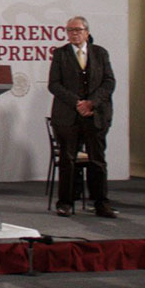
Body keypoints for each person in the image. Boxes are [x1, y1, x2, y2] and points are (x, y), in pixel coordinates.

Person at [48, 16, 117, 218]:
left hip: (95, 115)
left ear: (86, 32)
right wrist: (77, 103)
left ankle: (101, 203)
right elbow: (54, 84)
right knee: (68, 160)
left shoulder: (100, 53)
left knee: (98, 160)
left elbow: (109, 82)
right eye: (69, 30)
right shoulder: (60, 54)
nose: (73, 34)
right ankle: (66, 203)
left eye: (77, 30)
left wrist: (91, 102)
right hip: (68, 116)